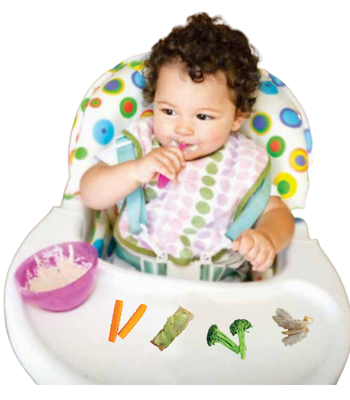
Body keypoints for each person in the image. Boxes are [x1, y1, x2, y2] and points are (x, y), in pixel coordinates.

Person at [80, 10, 295, 279]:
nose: (182, 128)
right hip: (133, 278)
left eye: (203, 116)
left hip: (217, 288)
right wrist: (134, 171)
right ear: (154, 100)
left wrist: (267, 237)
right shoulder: (141, 144)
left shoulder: (245, 162)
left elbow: (278, 212)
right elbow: (90, 192)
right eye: (169, 111)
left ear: (237, 117)